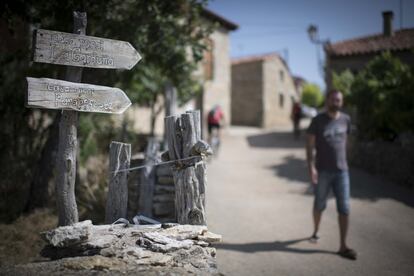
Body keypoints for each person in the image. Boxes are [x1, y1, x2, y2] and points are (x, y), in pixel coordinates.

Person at [306, 90, 357, 260]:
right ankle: (315, 231)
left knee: (344, 207)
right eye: (334, 99)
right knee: (319, 203)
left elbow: (348, 142)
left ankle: (343, 245)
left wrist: (346, 160)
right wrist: (311, 166)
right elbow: (310, 145)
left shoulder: (346, 120)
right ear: (327, 100)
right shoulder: (318, 120)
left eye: (339, 100)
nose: (336, 102)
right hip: (323, 170)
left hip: (343, 171)